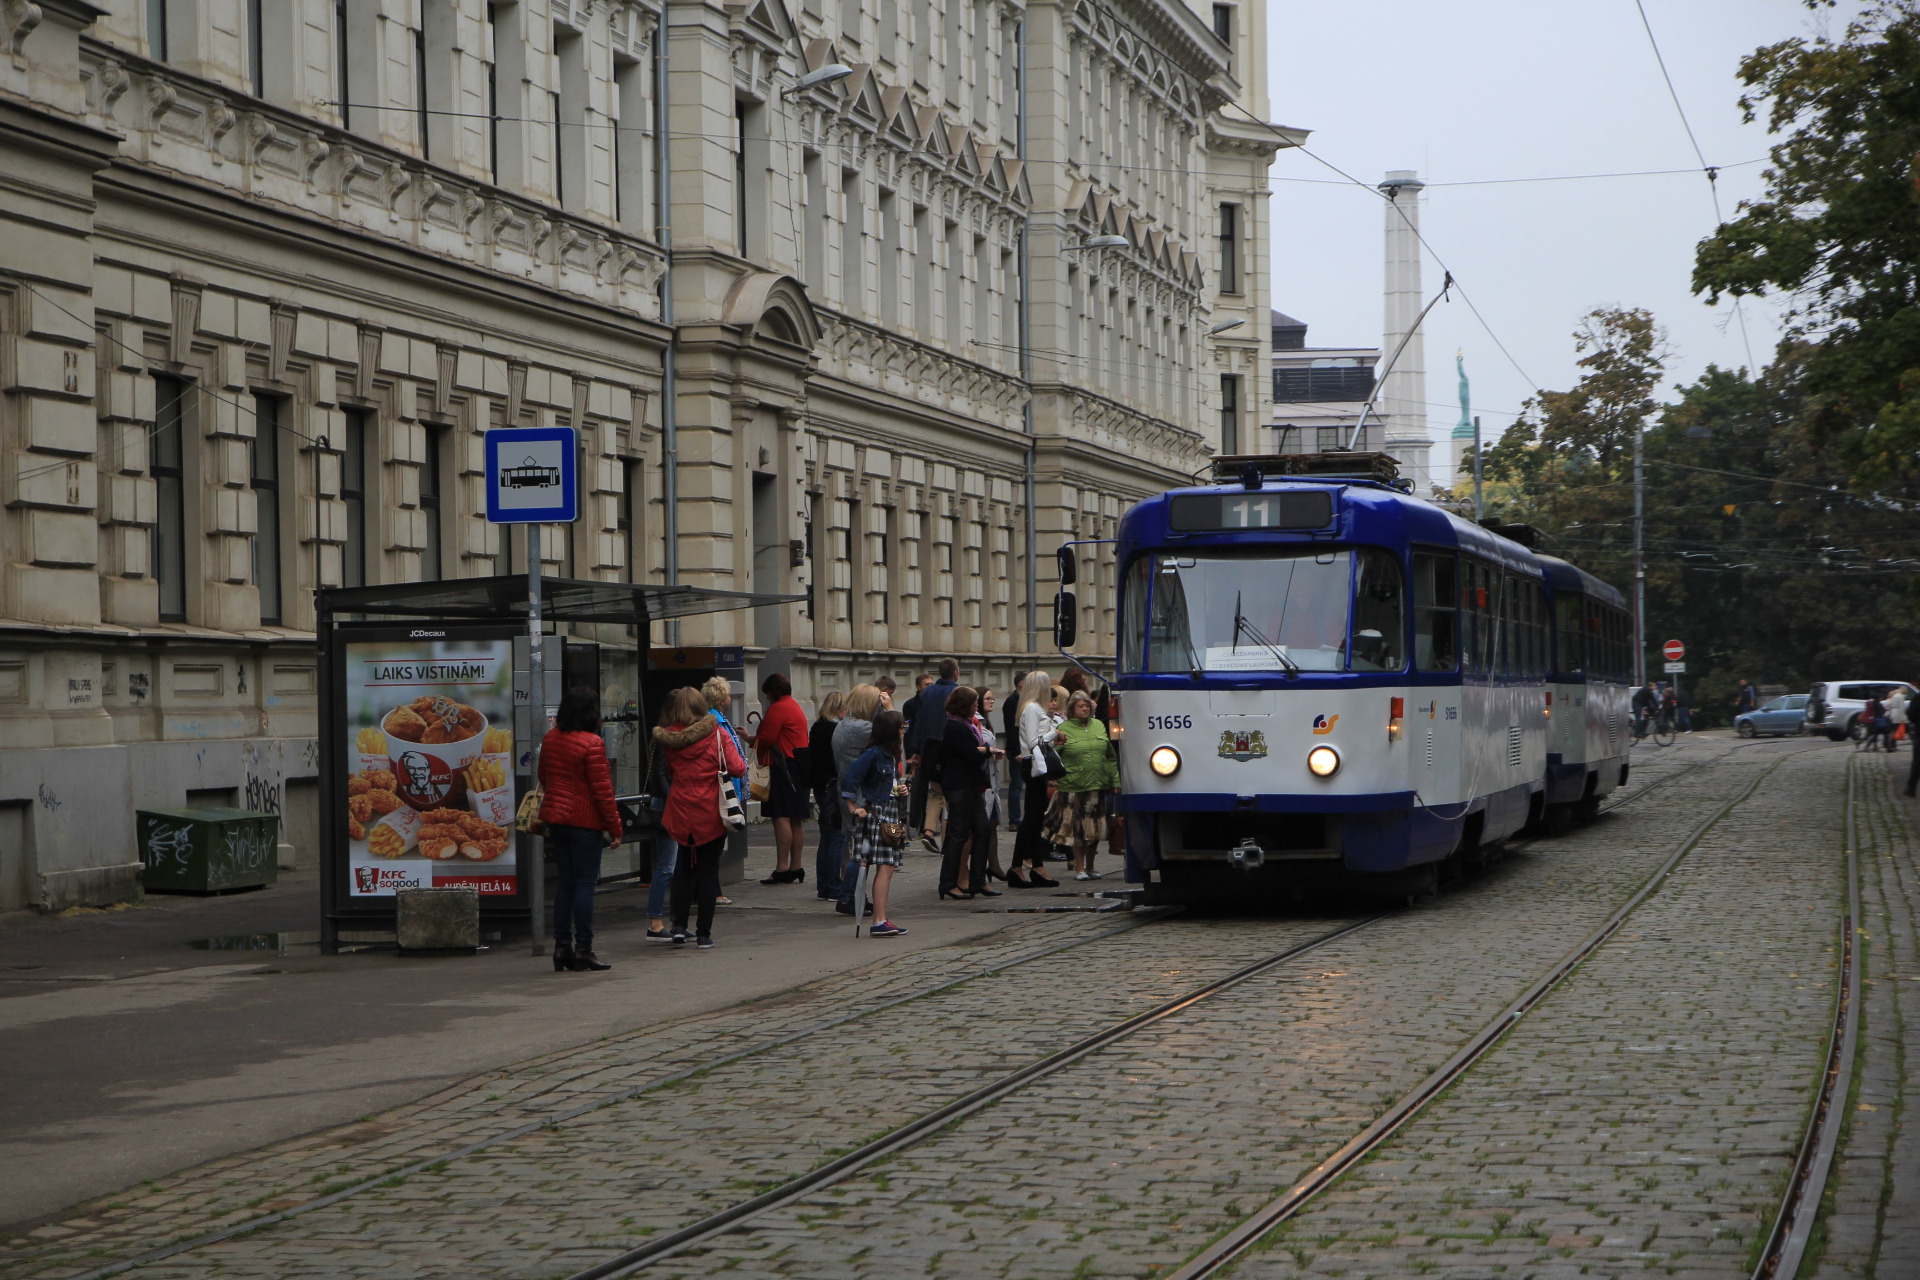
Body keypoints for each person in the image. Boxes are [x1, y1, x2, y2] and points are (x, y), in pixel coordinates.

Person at [538, 686, 623, 972]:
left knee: (566, 883)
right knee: (586, 884)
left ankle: (561, 947)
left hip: (556, 820)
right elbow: (603, 791)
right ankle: (584, 949)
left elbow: (543, 776)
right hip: (584, 822)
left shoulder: (551, 739)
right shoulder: (592, 743)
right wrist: (615, 827)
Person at [655, 685, 747, 948]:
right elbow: (738, 768)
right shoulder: (716, 734)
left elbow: (670, 771)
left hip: (681, 810)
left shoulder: (670, 738)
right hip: (710, 810)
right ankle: (704, 933)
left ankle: (679, 927)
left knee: (684, 869)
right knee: (708, 872)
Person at [842, 709, 910, 936]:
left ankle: (881, 918)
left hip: (890, 812)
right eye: (901, 727)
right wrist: (853, 808)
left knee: (888, 865)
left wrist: (901, 789)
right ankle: (878, 920)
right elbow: (850, 779)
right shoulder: (873, 754)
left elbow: (887, 785)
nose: (903, 732)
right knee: (885, 865)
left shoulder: (890, 755)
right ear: (892, 730)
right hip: (877, 814)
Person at [1046, 690, 1119, 880]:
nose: (1085, 709)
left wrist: (1115, 780)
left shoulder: (1099, 726)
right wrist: (1052, 776)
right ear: (1072, 709)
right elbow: (1054, 756)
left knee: (1094, 829)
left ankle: (1091, 866)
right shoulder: (1063, 728)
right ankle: (1079, 868)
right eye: (1080, 706)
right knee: (1078, 830)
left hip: (1097, 784)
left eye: (1087, 706)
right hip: (1073, 785)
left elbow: (1110, 756)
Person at [936, 686, 999, 900]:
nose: (976, 707)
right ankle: (947, 882)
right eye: (973, 704)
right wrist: (986, 751)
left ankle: (977, 881)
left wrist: (982, 750)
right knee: (958, 834)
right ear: (963, 706)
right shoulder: (954, 726)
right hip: (959, 786)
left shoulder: (967, 725)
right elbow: (971, 755)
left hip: (971, 786)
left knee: (983, 830)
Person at [750, 672, 810, 885]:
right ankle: (797, 866)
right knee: (795, 818)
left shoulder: (778, 708)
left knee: (781, 816)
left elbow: (767, 739)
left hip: (783, 767)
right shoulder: (794, 705)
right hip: (799, 765)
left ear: (773, 692)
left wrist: (749, 738)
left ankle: (782, 868)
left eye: (767, 694)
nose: (766, 698)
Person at [1008, 671, 1061, 889]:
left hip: (1037, 764)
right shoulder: (1032, 709)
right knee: (1031, 818)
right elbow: (1033, 741)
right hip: (1033, 765)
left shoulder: (1034, 708)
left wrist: (1053, 736)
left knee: (1036, 818)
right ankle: (1017, 866)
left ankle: (1036, 865)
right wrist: (1054, 733)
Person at [832, 684, 881, 915]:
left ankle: (857, 895)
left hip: (846, 791)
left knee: (859, 847)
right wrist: (890, 708)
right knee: (863, 850)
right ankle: (847, 897)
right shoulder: (864, 729)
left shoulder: (842, 725)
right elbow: (891, 734)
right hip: (861, 796)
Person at [957, 685, 1008, 890]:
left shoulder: (984, 722)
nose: (992, 701)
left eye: (992, 698)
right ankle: (965, 874)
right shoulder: (973, 722)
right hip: (977, 783)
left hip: (988, 782)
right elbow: (975, 748)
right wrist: (990, 751)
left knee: (991, 825)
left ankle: (992, 866)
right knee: (976, 831)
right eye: (987, 698)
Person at [907, 660, 960, 845]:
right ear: (955, 673)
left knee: (936, 792)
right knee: (950, 794)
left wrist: (917, 750)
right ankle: (946, 841)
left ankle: (929, 831)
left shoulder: (928, 693)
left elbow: (919, 724)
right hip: (950, 748)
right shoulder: (957, 692)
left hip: (929, 748)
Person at [807, 691, 847, 900]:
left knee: (826, 837)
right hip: (833, 784)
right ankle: (832, 886)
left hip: (820, 784)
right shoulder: (835, 729)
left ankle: (824, 886)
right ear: (838, 708)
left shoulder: (817, 727)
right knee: (836, 837)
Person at [1888, 687, 1908, 753]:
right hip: (1898, 714)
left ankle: (1892, 745)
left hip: (1893, 713)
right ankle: (1891, 745)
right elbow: (1902, 707)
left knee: (1893, 730)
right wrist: (1903, 718)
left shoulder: (1894, 695)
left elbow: (1890, 705)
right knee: (1894, 730)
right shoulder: (1900, 696)